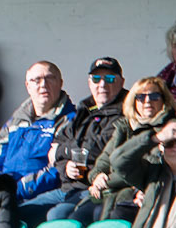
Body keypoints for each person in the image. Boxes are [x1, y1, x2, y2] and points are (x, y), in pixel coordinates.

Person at [55, 76, 176, 226]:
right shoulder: (124, 127)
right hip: (106, 193)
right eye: (141, 97)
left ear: (164, 100)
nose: (147, 101)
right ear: (134, 101)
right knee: (74, 220)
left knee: (103, 219)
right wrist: (97, 176)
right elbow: (104, 160)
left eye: (154, 96)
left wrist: (106, 182)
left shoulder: (167, 131)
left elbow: (143, 168)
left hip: (134, 193)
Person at [0, 62, 75, 224]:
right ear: (28, 86)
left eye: (50, 78)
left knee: (9, 217)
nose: (43, 84)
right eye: (36, 80)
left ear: (60, 83)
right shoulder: (14, 121)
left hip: (39, 196)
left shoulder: (70, 121)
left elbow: (57, 169)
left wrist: (17, 189)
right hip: (5, 193)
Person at [47, 56, 127, 214]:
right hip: (67, 187)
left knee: (57, 215)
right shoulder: (84, 110)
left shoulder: (127, 112)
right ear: (90, 83)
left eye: (110, 78)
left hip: (97, 189)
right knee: (22, 211)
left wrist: (62, 151)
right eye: (96, 79)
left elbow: (99, 151)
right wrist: (66, 168)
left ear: (121, 82)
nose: (102, 84)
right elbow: (55, 150)